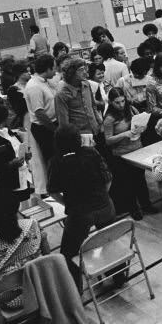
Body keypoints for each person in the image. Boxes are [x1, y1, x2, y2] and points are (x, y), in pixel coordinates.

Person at [48, 123, 115, 287]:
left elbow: (52, 191)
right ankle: (119, 277)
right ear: (78, 139)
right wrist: (103, 196)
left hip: (79, 213)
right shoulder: (91, 152)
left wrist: (67, 203)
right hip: (105, 207)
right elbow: (108, 178)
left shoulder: (56, 162)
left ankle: (76, 289)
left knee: (68, 253)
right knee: (110, 241)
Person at [0, 191, 49, 308]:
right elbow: (47, 255)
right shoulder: (33, 224)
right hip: (42, 284)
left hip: (10, 299)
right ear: (18, 207)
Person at [103, 87, 152, 220]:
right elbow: (108, 140)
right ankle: (133, 209)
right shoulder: (109, 119)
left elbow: (141, 123)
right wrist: (124, 134)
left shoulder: (131, 109)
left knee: (140, 179)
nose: (121, 105)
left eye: (123, 101)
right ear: (111, 102)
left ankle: (146, 205)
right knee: (128, 184)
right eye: (117, 102)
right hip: (122, 154)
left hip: (137, 148)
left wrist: (143, 127)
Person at [54, 57, 103, 139]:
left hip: (96, 131)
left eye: (85, 69)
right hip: (80, 137)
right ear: (71, 73)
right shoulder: (62, 95)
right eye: (81, 70)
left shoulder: (86, 85)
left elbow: (93, 107)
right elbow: (64, 124)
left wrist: (100, 123)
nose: (85, 72)